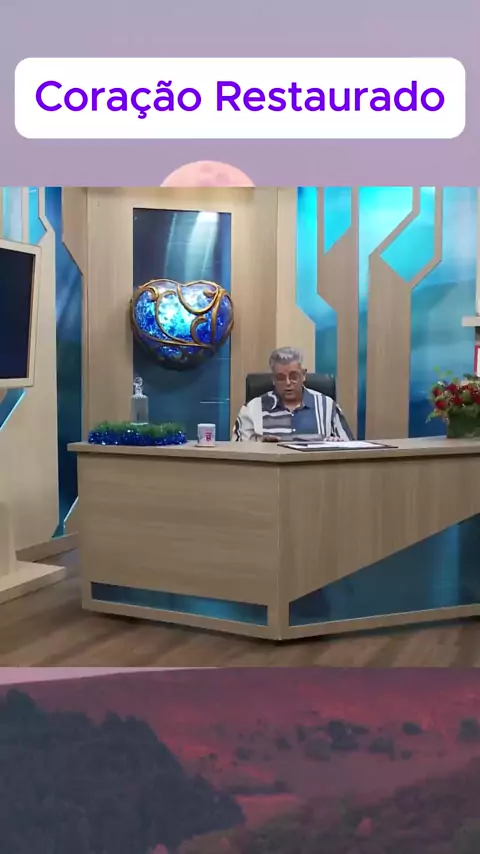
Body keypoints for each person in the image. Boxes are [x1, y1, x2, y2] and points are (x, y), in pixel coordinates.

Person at [232, 346, 354, 442]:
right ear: (273, 379)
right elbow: (237, 451)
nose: (288, 383)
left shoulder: (327, 406)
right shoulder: (252, 409)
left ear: (303, 375)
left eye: (293, 377)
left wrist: (337, 444)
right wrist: (260, 444)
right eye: (281, 378)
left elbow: (350, 449)